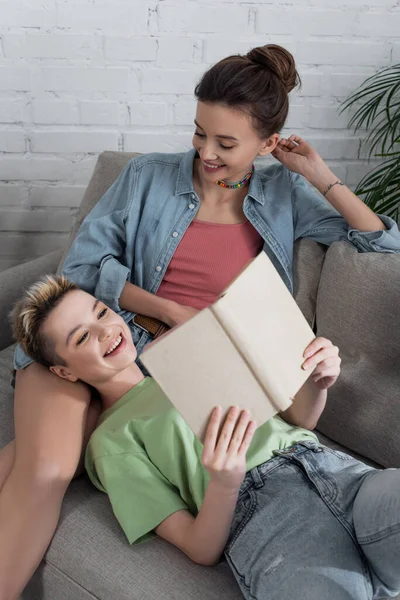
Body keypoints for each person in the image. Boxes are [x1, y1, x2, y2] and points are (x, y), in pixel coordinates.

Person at [1, 43, 400, 599]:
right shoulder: (146, 178)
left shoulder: (283, 193)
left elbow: (379, 243)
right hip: (111, 338)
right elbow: (82, 269)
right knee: (47, 469)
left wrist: (319, 173)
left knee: (32, 461)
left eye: (226, 143)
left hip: (202, 368)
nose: (206, 153)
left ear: (266, 144)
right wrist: (167, 309)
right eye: (198, 133)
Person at [11, 276, 400, 600]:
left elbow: (301, 419)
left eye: (101, 312)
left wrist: (318, 381)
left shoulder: (191, 355)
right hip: (266, 523)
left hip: (340, 476)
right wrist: (224, 483)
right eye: (81, 338)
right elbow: (199, 547)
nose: (105, 331)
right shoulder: (109, 441)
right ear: (64, 373)